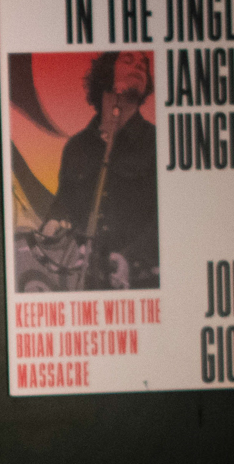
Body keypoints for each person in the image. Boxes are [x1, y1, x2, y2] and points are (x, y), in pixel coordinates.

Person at [47, 51, 158, 290]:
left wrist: (132, 259)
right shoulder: (76, 146)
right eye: (128, 60)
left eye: (143, 65)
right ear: (106, 71)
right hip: (84, 282)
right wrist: (53, 224)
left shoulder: (157, 142)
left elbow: (168, 217)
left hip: (142, 283)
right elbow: (64, 203)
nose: (138, 67)